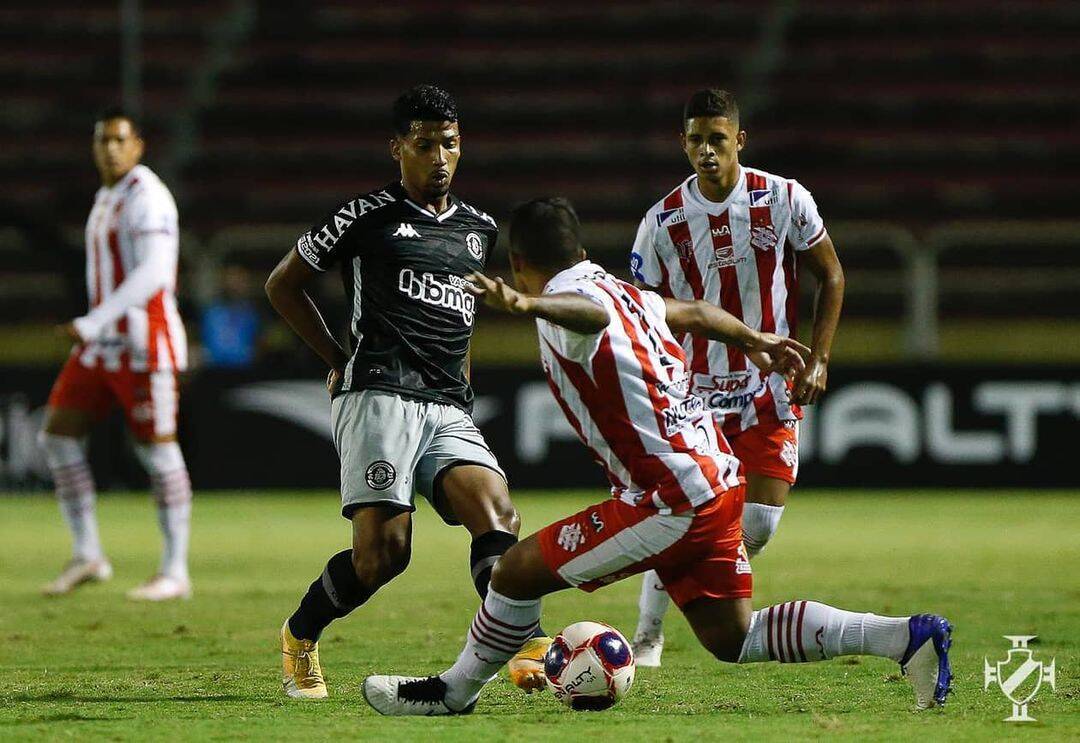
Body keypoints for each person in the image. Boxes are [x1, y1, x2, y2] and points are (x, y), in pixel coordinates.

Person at [360, 197, 951, 716]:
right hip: (715, 483)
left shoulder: (572, 302)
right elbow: (690, 312)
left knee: (513, 573)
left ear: (518, 262)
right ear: (582, 246)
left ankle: (453, 693)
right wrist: (757, 339)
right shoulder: (621, 289)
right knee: (733, 637)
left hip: (670, 501)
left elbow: (588, 317)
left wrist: (525, 305)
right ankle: (905, 638)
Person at [265, 85, 546, 700]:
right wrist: (338, 358)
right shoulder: (363, 217)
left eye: (449, 143)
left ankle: (528, 644)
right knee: (383, 557)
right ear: (397, 149)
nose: (439, 157)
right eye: (424, 145)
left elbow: (461, 315)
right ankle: (301, 633)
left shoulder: (479, 229)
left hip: (447, 402)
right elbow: (283, 285)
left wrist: (463, 377)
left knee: (498, 514)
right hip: (379, 393)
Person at [628, 89, 846, 665]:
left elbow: (832, 275)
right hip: (693, 394)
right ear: (683, 143)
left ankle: (677, 599)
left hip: (769, 387)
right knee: (685, 514)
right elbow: (642, 315)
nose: (706, 150)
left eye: (717, 139)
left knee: (758, 524)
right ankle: (648, 634)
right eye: (696, 139)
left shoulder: (784, 198)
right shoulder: (660, 223)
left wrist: (819, 358)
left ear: (739, 141)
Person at [39, 108, 194, 601]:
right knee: (57, 436)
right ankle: (88, 554)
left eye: (119, 140)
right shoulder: (108, 195)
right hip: (101, 346)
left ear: (138, 146)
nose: (110, 148)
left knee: (157, 450)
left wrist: (94, 319)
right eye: (102, 140)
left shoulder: (148, 196)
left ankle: (174, 571)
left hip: (143, 344)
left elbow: (154, 274)